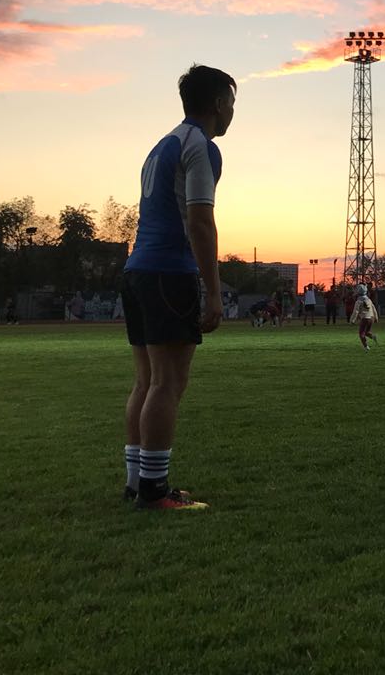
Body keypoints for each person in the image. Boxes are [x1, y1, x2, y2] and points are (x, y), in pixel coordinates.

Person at [120, 63, 235, 512]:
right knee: (168, 383)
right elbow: (200, 222)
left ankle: (137, 483)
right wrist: (212, 290)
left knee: (146, 381)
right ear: (215, 104)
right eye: (229, 103)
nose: (231, 113)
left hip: (138, 271)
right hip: (169, 271)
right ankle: (153, 491)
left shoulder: (162, 144)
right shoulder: (200, 147)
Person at [351, 283, 378, 350]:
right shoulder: (369, 300)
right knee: (367, 332)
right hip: (371, 318)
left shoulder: (358, 301)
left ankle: (366, 347)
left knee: (361, 334)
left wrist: (352, 320)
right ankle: (373, 336)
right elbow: (374, 309)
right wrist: (376, 317)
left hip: (364, 319)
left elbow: (356, 312)